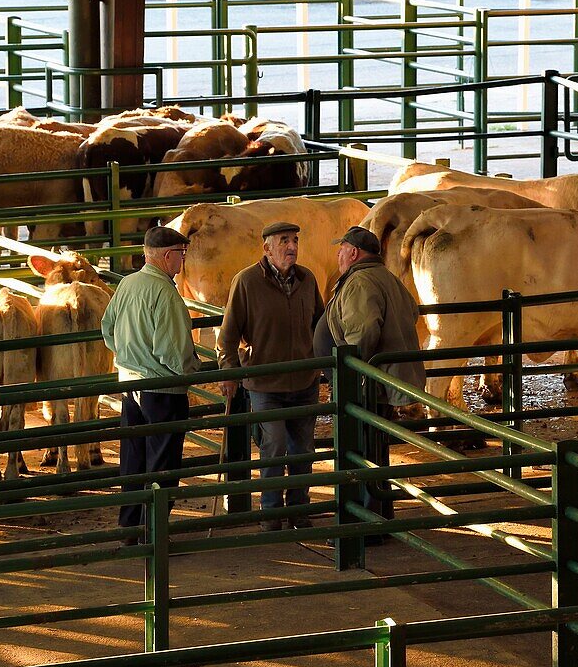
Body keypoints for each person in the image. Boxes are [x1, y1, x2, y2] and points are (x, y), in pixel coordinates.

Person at [217, 221, 325, 532]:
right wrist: (228, 370)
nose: (292, 247)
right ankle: (271, 512)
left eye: (294, 240)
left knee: (303, 449)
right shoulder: (247, 282)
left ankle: (299, 509)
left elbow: (320, 324)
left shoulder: (307, 279)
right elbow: (228, 334)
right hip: (265, 382)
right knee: (274, 446)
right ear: (267, 248)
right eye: (284, 241)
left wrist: (324, 363)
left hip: (304, 378)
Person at [101, 226, 200, 542]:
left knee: (134, 460)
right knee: (162, 464)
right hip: (162, 390)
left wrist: (129, 355)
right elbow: (172, 351)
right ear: (169, 255)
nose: (182, 261)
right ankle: (153, 532)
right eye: (181, 254)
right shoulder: (165, 294)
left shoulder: (127, 284)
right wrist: (193, 371)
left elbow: (107, 328)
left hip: (129, 385)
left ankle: (129, 526)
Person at [326, 226, 426, 532]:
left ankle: (365, 524)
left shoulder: (359, 281)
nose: (338, 255)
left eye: (341, 248)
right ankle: (381, 514)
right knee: (376, 448)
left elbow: (363, 330)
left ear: (353, 252)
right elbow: (412, 312)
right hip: (387, 380)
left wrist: (353, 365)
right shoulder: (388, 278)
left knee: (362, 451)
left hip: (368, 381)